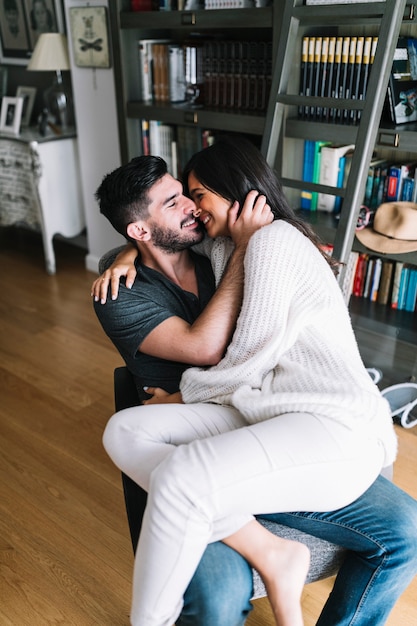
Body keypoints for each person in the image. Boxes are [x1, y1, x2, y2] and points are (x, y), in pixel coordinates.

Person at [93, 137, 417, 626]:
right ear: (141, 229)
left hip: (311, 417)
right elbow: (209, 342)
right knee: (123, 429)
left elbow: (244, 355)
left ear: (239, 196)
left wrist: (182, 396)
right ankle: (268, 551)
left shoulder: (255, 243)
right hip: (255, 409)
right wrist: (124, 254)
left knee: (182, 478)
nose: (190, 209)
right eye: (178, 200)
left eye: (192, 193)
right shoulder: (209, 253)